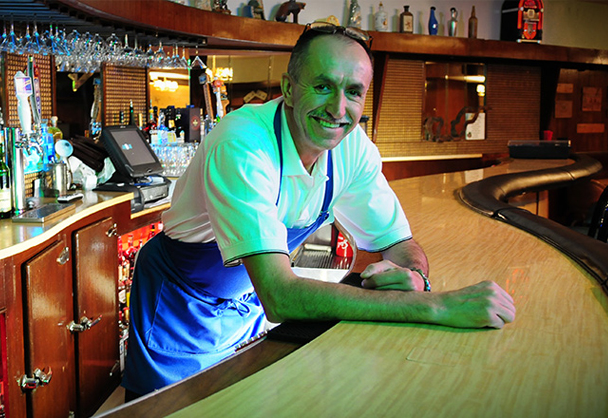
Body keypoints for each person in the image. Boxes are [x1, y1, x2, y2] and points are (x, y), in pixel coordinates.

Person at [122, 23, 516, 398]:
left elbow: (399, 242)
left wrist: (411, 277)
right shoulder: (241, 144)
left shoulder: (352, 145)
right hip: (181, 310)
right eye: (323, 86)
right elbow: (280, 295)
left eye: (354, 92)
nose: (338, 108)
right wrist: (434, 306)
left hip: (249, 306)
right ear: (289, 90)